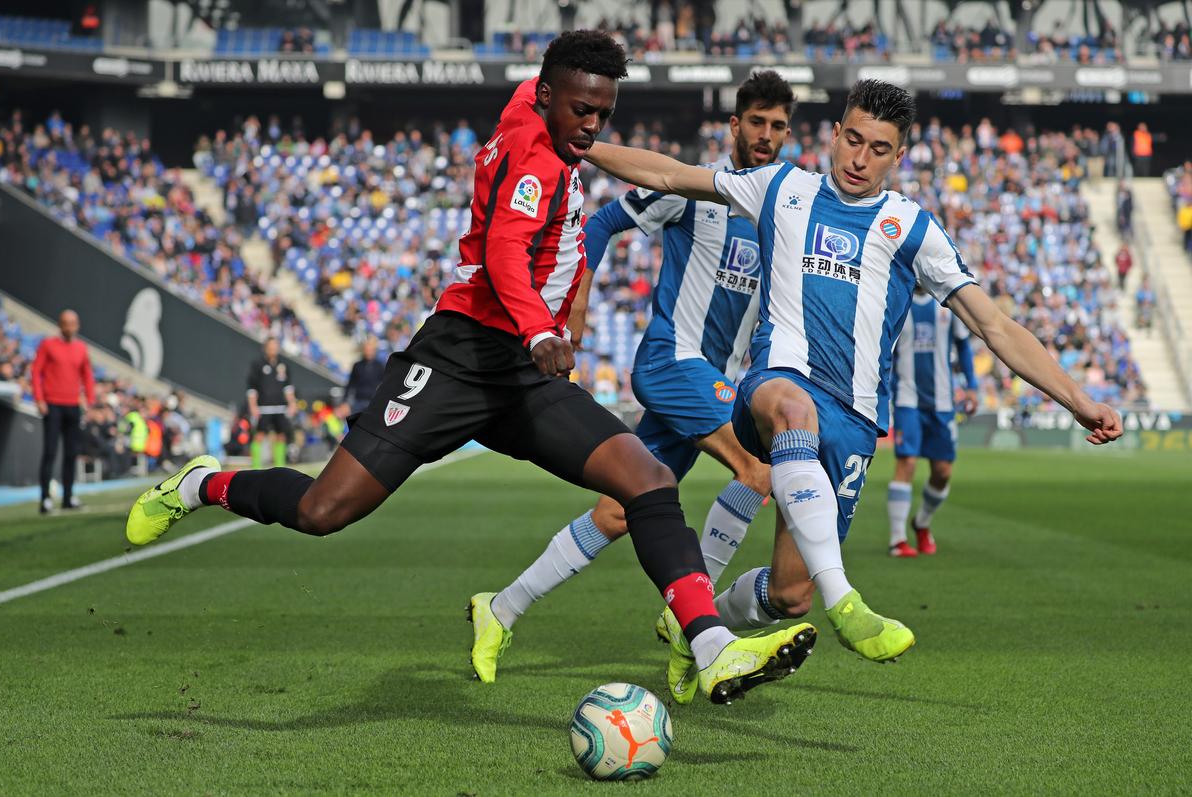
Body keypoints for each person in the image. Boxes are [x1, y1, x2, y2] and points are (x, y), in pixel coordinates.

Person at [125, 31, 812, 707]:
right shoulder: (536, 160)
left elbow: (555, 140)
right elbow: (504, 250)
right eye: (581, 110)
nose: (591, 126)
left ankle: (711, 642)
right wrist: (543, 324)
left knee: (648, 479)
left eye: (602, 112)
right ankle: (201, 483)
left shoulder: (529, 103)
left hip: (523, 373)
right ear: (547, 97)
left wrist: (547, 324)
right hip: (459, 357)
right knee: (322, 509)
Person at [584, 78, 1123, 671]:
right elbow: (667, 174)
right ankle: (845, 601)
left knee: (790, 594)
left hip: (855, 419)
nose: (860, 160)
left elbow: (994, 326)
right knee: (794, 409)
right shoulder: (780, 187)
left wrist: (1077, 398)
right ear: (835, 135)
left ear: (900, 155)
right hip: (777, 385)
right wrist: (578, 144)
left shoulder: (911, 228)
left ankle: (696, 624)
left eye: (880, 149)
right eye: (854, 141)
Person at [472, 72, 801, 702]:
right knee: (757, 468)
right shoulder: (693, 192)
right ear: (734, 126)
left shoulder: (779, 211)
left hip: (714, 380)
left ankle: (502, 607)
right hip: (672, 363)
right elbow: (596, 227)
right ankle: (696, 625)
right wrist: (574, 308)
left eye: (778, 125)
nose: (766, 136)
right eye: (755, 122)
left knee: (621, 509)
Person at [886, 285, 978, 558]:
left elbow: (963, 346)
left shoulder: (947, 306)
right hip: (907, 399)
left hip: (942, 402)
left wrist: (972, 385)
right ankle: (897, 539)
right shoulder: (896, 304)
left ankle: (922, 523)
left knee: (943, 472)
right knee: (907, 462)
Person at [32, 309, 95, 513]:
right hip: (52, 405)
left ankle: (68, 497)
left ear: (77, 325)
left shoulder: (81, 348)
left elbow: (87, 375)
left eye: (72, 323)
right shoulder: (48, 345)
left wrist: (90, 399)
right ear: (60, 325)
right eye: (65, 323)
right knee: (50, 452)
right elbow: (36, 372)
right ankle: (45, 499)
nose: (69, 326)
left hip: (73, 406)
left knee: (71, 453)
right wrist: (39, 399)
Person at [247, 338, 297, 468]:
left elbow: (288, 388)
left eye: (276, 346)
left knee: (281, 436)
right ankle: (256, 467)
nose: (274, 349)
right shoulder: (257, 365)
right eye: (271, 346)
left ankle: (280, 467)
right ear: (266, 348)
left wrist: (292, 403)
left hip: (280, 408)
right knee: (259, 435)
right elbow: (252, 389)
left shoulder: (283, 365)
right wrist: (253, 406)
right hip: (264, 408)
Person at [343, 337, 384, 416]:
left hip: (373, 402)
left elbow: (384, 384)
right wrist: (345, 402)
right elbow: (350, 384)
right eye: (366, 349)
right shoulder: (357, 365)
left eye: (370, 349)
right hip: (358, 401)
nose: (368, 352)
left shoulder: (380, 366)